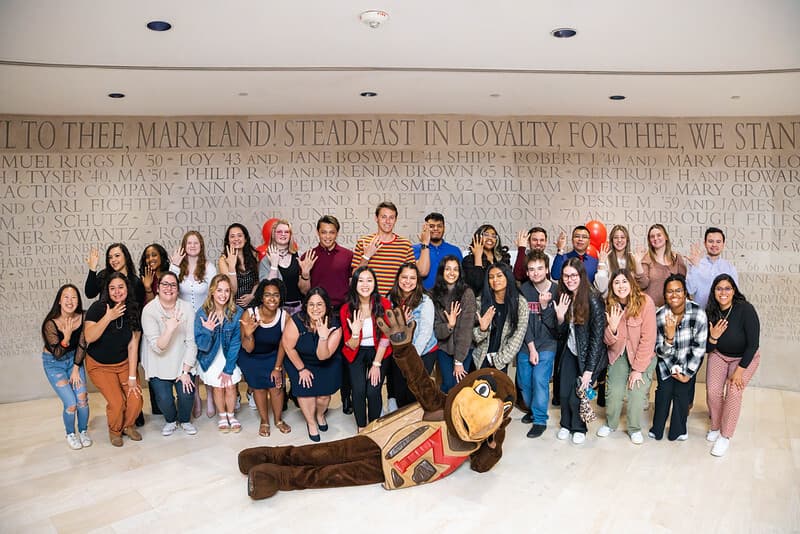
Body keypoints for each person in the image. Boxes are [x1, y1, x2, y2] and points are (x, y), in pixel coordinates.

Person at [76, 272, 143, 447]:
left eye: (121, 287)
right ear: (107, 290)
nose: (117, 291)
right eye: (112, 288)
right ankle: (115, 431)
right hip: (99, 365)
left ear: (127, 288)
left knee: (135, 398)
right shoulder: (98, 308)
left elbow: (133, 346)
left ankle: (128, 426)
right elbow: (89, 337)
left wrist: (132, 377)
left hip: (124, 363)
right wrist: (108, 317)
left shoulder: (134, 309)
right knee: (117, 402)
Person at [298, 215, 354, 414]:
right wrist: (306, 273)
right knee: (317, 355)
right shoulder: (308, 256)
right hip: (316, 315)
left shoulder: (348, 256)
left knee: (345, 357)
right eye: (324, 232)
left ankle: (347, 397)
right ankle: (312, 394)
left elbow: (353, 286)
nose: (328, 236)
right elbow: (304, 290)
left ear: (337, 233)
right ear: (317, 232)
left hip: (341, 314)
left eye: (331, 232)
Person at [596, 269, 657, 445]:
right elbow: (607, 342)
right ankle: (610, 423)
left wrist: (637, 370)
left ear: (631, 283)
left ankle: (634, 428)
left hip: (643, 355)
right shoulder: (609, 304)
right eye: (616, 283)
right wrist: (612, 328)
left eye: (624, 281)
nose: (621, 286)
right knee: (614, 392)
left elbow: (648, 339)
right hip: (619, 353)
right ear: (612, 286)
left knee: (636, 392)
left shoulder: (646, 302)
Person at [704, 274, 760, 457]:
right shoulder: (711, 311)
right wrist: (713, 336)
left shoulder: (745, 309)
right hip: (719, 355)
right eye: (719, 288)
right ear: (714, 291)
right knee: (713, 392)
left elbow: (753, 345)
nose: (723, 292)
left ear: (734, 290)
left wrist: (739, 371)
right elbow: (707, 347)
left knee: (734, 392)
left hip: (744, 358)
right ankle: (716, 425)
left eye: (727, 288)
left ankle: (725, 436)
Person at [553, 257, 606, 444]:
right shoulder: (564, 296)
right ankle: (566, 425)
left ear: (581, 276)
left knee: (578, 395)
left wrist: (589, 371)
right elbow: (560, 334)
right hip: (570, 349)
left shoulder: (593, 298)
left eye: (574, 275)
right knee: (564, 393)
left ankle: (579, 428)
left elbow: (597, 338)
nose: (570, 279)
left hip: (587, 354)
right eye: (566, 276)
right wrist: (560, 317)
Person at [649, 274, 708, 441]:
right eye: (669, 292)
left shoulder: (698, 314)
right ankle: (657, 427)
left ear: (685, 293)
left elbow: (699, 349)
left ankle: (679, 429)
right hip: (666, 363)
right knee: (664, 393)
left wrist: (687, 373)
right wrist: (669, 337)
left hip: (688, 362)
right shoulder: (660, 315)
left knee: (682, 394)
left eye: (678, 291)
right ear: (665, 294)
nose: (674, 295)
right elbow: (659, 351)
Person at [141, 271, 198, 436]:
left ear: (178, 290)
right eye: (165, 284)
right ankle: (171, 420)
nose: (169, 288)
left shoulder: (186, 308)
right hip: (158, 362)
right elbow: (158, 347)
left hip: (182, 361)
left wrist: (186, 371)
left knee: (187, 394)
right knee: (164, 400)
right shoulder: (149, 310)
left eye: (173, 285)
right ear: (158, 288)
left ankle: (185, 420)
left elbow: (191, 342)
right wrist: (170, 329)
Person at [283, 287, 343, 441]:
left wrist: (323, 337)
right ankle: (311, 423)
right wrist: (301, 369)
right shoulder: (296, 321)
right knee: (307, 391)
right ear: (305, 306)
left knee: (323, 396)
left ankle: (320, 414)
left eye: (319, 304)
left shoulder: (334, 324)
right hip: (300, 360)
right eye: (311, 304)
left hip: (326, 361)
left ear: (326, 306)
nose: (315, 309)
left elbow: (323, 356)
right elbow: (288, 347)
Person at [170, 230, 218, 418]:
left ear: (201, 245)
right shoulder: (177, 267)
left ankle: (212, 397)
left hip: (204, 318)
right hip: (183, 320)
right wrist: (174, 265)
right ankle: (196, 397)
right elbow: (170, 285)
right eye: (189, 243)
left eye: (196, 243)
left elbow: (214, 294)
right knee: (191, 359)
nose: (192, 246)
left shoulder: (209, 267)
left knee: (206, 358)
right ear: (184, 245)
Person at [340, 267, 392, 431]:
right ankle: (362, 427)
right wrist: (355, 333)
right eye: (360, 280)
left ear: (375, 283)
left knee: (373, 390)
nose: (365, 284)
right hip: (356, 350)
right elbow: (351, 344)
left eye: (369, 280)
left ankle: (374, 427)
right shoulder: (346, 309)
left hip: (380, 351)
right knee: (359, 389)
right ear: (354, 284)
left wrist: (376, 364)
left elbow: (386, 336)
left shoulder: (384, 303)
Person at [40, 284, 91, 450]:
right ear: (60, 301)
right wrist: (67, 336)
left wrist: (76, 368)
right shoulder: (50, 324)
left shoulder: (83, 317)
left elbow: (83, 344)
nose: (70, 301)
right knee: (71, 403)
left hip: (73, 361)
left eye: (74, 297)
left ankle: (83, 431)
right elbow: (57, 353)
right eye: (66, 297)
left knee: (82, 399)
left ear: (78, 300)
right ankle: (70, 433)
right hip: (54, 364)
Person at [238, 279, 291, 437]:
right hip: (251, 356)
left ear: (281, 297)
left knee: (277, 387)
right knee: (259, 388)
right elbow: (248, 347)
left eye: (276, 295)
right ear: (261, 297)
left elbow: (283, 344)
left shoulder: (284, 316)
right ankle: (264, 421)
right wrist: (249, 334)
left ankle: (278, 420)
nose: (272, 299)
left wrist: (277, 368)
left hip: (273, 355)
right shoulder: (249, 314)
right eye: (267, 295)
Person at [195, 274, 244, 433]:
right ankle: (222, 416)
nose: (223, 295)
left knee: (230, 386)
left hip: (230, 356)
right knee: (218, 387)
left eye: (227, 291)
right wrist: (208, 331)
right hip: (210, 357)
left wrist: (228, 368)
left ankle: (231, 415)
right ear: (212, 292)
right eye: (219, 290)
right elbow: (201, 346)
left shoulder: (237, 312)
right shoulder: (202, 313)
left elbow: (236, 342)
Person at [517, 250, 559, 438]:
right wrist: (531, 348)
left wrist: (545, 308)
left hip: (548, 344)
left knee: (540, 380)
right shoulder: (523, 290)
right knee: (524, 383)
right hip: (527, 344)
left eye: (540, 268)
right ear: (527, 272)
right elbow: (522, 323)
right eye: (532, 269)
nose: (536, 273)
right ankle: (533, 410)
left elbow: (558, 326)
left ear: (547, 269)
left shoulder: (557, 290)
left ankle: (540, 419)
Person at [388, 262, 438, 408]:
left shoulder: (425, 301)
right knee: (400, 389)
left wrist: (410, 357)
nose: (408, 282)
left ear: (417, 281)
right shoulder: (391, 300)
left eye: (412, 278)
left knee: (415, 391)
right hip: (400, 350)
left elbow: (426, 333)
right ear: (398, 278)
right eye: (404, 277)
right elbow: (389, 330)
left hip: (423, 351)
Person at [431, 255, 477, 393]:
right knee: (448, 384)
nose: (452, 273)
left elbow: (466, 329)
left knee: (459, 385)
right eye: (448, 269)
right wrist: (449, 325)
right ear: (441, 271)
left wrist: (458, 361)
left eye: (455, 269)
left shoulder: (467, 293)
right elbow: (436, 329)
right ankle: (444, 411)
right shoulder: (433, 295)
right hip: (443, 346)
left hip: (464, 347)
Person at [351, 201, 415, 296]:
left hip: (395, 301)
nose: (387, 221)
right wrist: (366, 256)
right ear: (376, 218)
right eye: (383, 217)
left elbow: (412, 276)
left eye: (391, 218)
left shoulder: (405, 245)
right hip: (370, 300)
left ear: (395, 220)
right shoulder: (364, 242)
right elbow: (355, 276)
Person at [473, 263, 528, 373]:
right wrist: (482, 329)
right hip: (479, 359)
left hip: (501, 360)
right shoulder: (480, 302)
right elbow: (472, 336)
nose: (495, 280)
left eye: (499, 276)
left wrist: (499, 360)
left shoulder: (520, 303)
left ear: (507, 277)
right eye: (491, 277)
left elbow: (518, 337)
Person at [687, 227, 739, 309]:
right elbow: (690, 290)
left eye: (718, 242)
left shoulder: (730, 268)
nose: (714, 245)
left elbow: (735, 295)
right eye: (710, 241)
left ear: (723, 244)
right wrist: (694, 267)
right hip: (701, 314)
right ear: (705, 243)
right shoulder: (696, 264)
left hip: (723, 315)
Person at [258, 219, 303, 315]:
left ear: (290, 235)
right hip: (276, 310)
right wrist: (274, 266)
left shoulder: (299, 255)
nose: (283, 234)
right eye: (279, 232)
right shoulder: (265, 260)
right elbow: (267, 289)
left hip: (298, 308)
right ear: (273, 235)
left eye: (286, 232)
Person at [639, 224, 686, 307]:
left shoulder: (677, 258)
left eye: (659, 235)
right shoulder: (645, 259)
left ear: (666, 237)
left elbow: (683, 284)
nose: (655, 238)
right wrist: (637, 264)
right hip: (652, 309)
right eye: (652, 236)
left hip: (674, 308)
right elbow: (642, 285)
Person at [85, 242, 146, 308]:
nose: (113, 260)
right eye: (110, 257)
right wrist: (92, 269)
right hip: (105, 317)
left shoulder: (136, 281)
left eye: (117, 256)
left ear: (126, 256)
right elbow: (90, 294)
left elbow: (139, 306)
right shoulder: (103, 275)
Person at [413, 212, 463, 290]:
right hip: (422, 297)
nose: (436, 229)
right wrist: (424, 244)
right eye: (431, 226)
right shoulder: (414, 249)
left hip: (448, 297)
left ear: (444, 228)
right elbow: (419, 273)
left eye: (439, 226)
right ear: (425, 228)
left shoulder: (455, 250)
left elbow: (461, 278)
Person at [594, 224, 645, 296]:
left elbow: (643, 285)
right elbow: (601, 288)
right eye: (616, 237)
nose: (619, 240)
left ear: (627, 240)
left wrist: (638, 263)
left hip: (631, 303)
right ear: (611, 240)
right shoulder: (606, 259)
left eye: (622, 237)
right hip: (610, 302)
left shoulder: (634, 258)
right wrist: (601, 263)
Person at [218, 223, 260, 308]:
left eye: (239, 235)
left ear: (245, 239)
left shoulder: (254, 255)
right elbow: (232, 290)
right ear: (228, 241)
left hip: (253, 304)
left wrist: (252, 295)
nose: (236, 239)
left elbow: (258, 280)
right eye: (232, 236)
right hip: (234, 307)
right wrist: (232, 267)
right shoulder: (223, 260)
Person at [462, 224, 511, 294]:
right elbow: (476, 285)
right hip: (481, 300)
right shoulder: (468, 260)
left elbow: (509, 281)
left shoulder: (503, 258)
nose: (490, 238)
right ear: (478, 237)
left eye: (493, 236)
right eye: (486, 235)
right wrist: (478, 257)